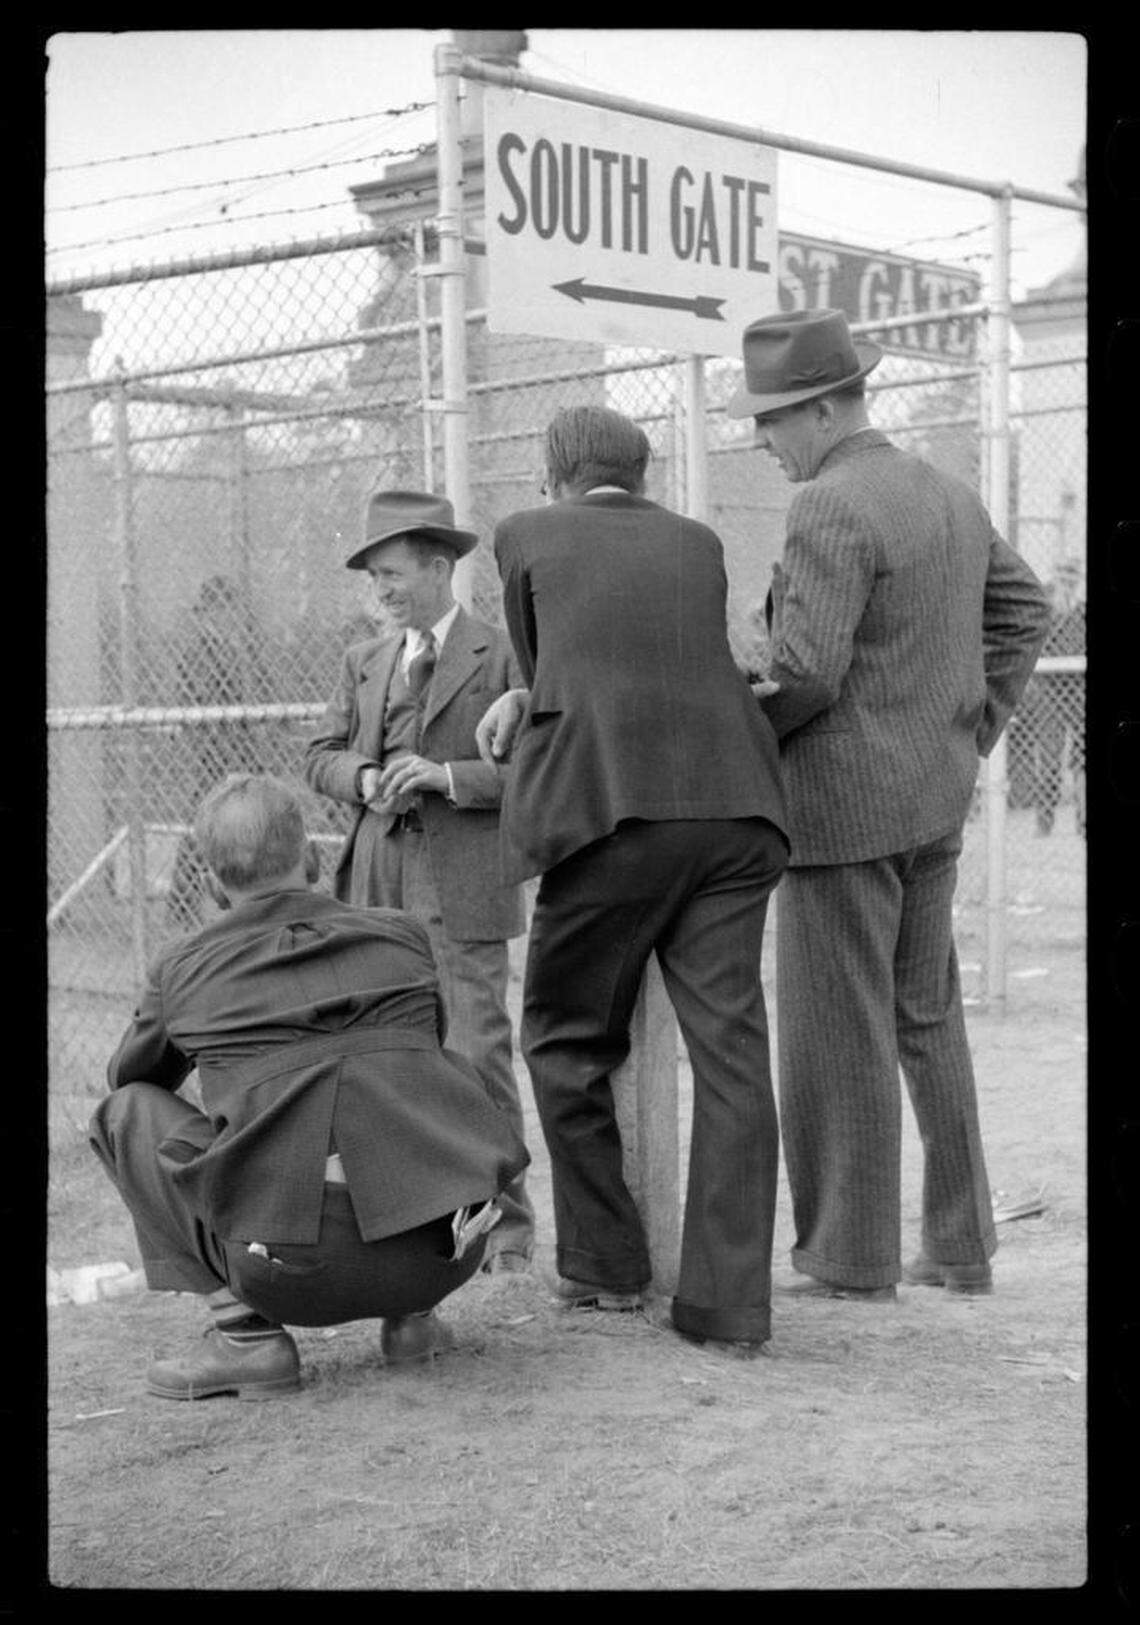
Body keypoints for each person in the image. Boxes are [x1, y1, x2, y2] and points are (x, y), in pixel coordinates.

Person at [727, 308, 1051, 1301]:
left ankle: (849, 1257)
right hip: (931, 801)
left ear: (824, 407)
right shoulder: (945, 491)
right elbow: (1026, 608)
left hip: (838, 816)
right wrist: (966, 729)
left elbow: (806, 675)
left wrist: (728, 737)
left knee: (836, 1031)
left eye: (773, 420)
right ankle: (961, 1246)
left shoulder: (828, 504)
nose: (764, 441)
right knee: (926, 1017)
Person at [475, 405, 789, 1355]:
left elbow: (550, 662)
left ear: (554, 470)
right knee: (732, 1054)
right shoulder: (698, 542)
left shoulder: (526, 533)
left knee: (564, 1040)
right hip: (736, 811)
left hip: (615, 816)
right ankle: (730, 1308)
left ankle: (608, 1266)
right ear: (642, 473)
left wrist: (524, 691)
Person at [89, 773, 529, 1400]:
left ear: (214, 888)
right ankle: (413, 1323)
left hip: (287, 1271)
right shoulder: (401, 935)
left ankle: (247, 1339)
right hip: (442, 1259)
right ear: (316, 859)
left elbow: (131, 1084)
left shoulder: (182, 967)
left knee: (123, 1113)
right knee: (401, 1079)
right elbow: (428, 1046)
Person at [303, 490, 534, 1274]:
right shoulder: (364, 660)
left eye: (394, 573)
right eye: (374, 577)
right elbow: (318, 753)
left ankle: (505, 1221)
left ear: (440, 567)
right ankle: (407, 1210)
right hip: (375, 872)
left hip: (462, 878)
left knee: (474, 1046)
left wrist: (444, 774)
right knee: (380, 1048)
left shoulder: (501, 653)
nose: (383, 591)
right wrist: (365, 775)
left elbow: (536, 770)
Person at [166, 575, 273, 931]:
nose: (231, 615)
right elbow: (199, 702)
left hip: (234, 750)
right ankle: (182, 905)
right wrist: (220, 748)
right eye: (224, 608)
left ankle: (209, 903)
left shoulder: (231, 648)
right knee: (202, 827)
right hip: (213, 752)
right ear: (212, 610)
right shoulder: (200, 650)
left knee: (219, 825)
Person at [1026, 557, 1087, 837]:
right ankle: (1044, 822)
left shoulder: (1080, 604)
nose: (1068, 579)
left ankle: (1082, 822)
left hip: (1077, 687)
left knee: (1081, 758)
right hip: (1049, 688)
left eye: (1072, 574)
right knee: (1049, 757)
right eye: (1063, 573)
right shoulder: (1045, 598)